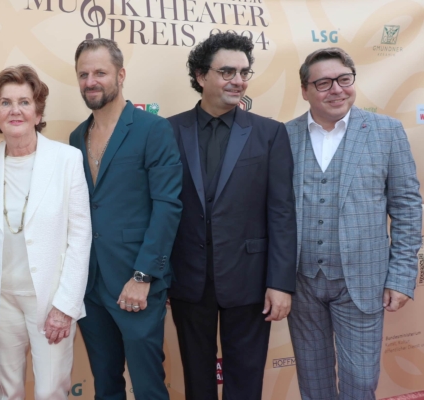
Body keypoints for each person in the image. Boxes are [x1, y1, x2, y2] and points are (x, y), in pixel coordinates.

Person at [286, 47, 422, 400]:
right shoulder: (283, 136)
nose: (337, 89)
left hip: (363, 282)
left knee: (361, 383)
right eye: (324, 82)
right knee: (312, 384)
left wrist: (402, 275)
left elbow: (408, 207)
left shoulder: (386, 131)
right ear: (305, 90)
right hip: (301, 284)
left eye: (344, 79)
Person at [167, 32, 297, 400]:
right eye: (227, 71)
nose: (238, 80)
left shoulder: (270, 133)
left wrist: (281, 282)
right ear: (200, 76)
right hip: (188, 278)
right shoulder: (168, 130)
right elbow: (158, 209)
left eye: (244, 72)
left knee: (245, 380)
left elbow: (282, 212)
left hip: (251, 278)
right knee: (197, 380)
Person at [69, 38, 183, 400]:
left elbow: (168, 206)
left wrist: (143, 275)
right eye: (84, 74)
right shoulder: (76, 137)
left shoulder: (154, 129)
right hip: (90, 285)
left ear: (120, 75)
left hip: (137, 283)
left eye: (100, 72)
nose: (91, 81)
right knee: (106, 386)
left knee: (149, 386)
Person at [0, 65, 91, 400]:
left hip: (50, 299)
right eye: (5, 103)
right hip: (0, 299)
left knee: (51, 390)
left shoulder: (67, 159)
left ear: (38, 112)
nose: (15, 111)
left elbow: (80, 238)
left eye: (24, 102)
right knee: (5, 391)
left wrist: (65, 306)